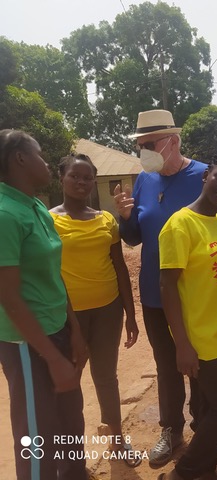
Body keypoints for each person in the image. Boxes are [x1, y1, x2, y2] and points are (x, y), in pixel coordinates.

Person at [113, 109, 206, 467]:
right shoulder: (144, 180)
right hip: (154, 293)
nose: (143, 151)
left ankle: (202, 427)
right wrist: (125, 219)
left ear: (173, 141)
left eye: (149, 144)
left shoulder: (203, 177)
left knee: (198, 362)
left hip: (195, 292)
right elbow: (136, 238)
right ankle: (172, 430)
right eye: (140, 146)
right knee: (166, 364)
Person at [0, 129, 89, 480]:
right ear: (20, 159)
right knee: (37, 434)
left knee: (70, 419)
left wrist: (75, 331)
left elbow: (54, 274)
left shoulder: (35, 205)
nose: (47, 161)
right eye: (39, 154)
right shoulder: (5, 214)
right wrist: (52, 358)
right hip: (27, 344)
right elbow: (8, 296)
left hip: (59, 330)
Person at [49, 153, 141, 467]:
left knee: (106, 376)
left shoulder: (106, 220)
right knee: (69, 380)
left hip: (108, 309)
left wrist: (130, 314)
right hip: (66, 315)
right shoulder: (49, 220)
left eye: (88, 177)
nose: (82, 182)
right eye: (75, 176)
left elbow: (119, 267)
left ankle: (116, 440)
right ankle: (73, 456)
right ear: (61, 177)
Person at [158, 155, 217, 480]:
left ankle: (204, 470)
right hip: (200, 337)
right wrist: (182, 344)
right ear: (206, 175)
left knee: (210, 407)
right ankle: (185, 472)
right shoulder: (180, 225)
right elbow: (167, 286)